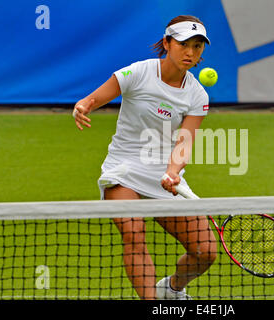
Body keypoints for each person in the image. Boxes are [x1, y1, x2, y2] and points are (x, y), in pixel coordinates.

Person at [72, 15, 217, 300]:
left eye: (198, 46)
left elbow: (184, 143)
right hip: (123, 170)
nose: (191, 52)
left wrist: (173, 171)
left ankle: (172, 288)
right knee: (134, 233)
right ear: (167, 43)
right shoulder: (138, 72)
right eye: (184, 44)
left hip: (164, 175)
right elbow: (96, 97)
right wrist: (83, 105)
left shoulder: (197, 96)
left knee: (206, 252)